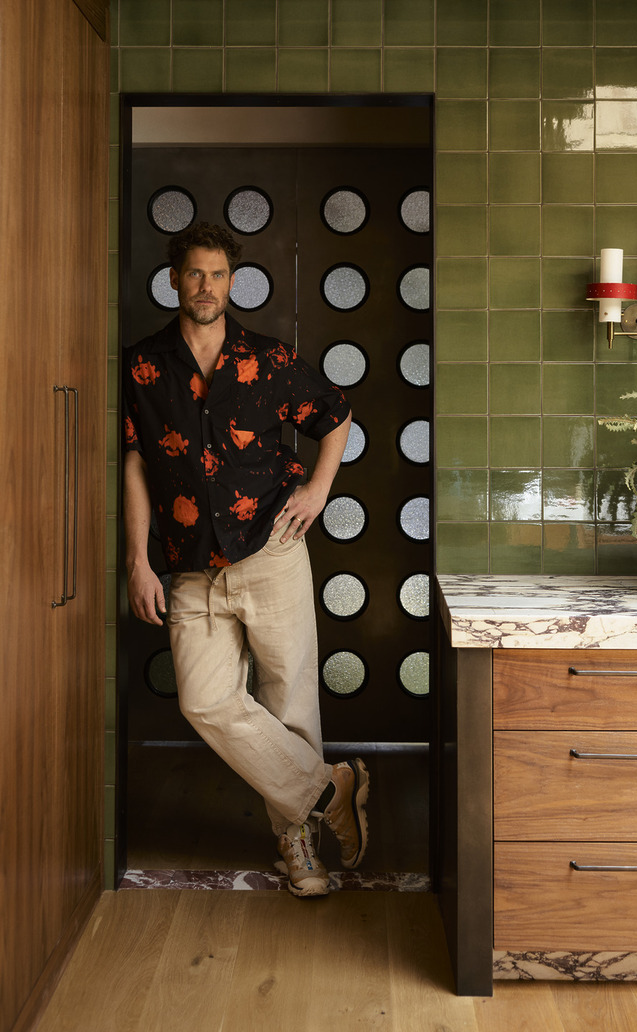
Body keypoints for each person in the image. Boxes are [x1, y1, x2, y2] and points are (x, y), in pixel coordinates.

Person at [122, 221, 367, 897]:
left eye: (217, 274)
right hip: (190, 565)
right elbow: (135, 462)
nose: (205, 286)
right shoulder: (142, 365)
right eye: (194, 273)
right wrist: (138, 562)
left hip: (271, 549)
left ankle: (297, 844)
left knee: (289, 699)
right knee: (204, 699)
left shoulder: (270, 359)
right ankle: (330, 788)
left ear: (233, 281)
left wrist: (318, 490)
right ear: (175, 280)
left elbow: (335, 412)